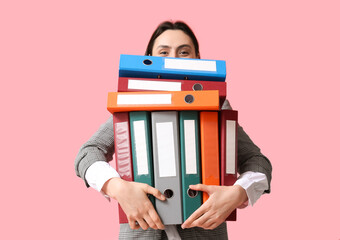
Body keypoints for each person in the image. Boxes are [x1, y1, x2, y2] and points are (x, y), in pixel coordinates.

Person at [75, 21, 272, 240]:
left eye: (184, 52)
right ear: (148, 59)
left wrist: (238, 193)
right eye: (164, 52)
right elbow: (88, 152)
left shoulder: (217, 105)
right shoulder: (132, 102)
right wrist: (118, 188)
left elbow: (258, 161)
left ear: (198, 59)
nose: (173, 59)